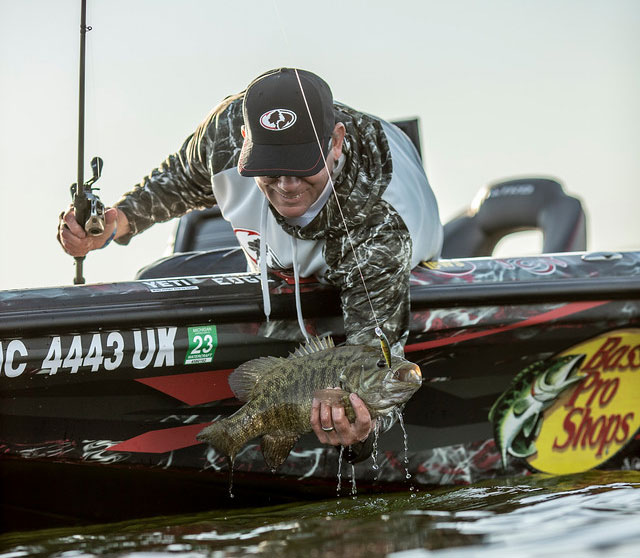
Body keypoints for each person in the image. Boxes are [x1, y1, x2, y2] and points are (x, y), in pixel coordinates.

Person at [58, 68, 443, 457]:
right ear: (245, 139)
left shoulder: (379, 230)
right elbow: (182, 177)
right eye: (272, 166)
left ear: (336, 143)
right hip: (280, 260)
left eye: (302, 165)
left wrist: (361, 428)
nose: (286, 184)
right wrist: (116, 221)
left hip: (377, 237)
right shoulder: (226, 129)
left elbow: (377, 359)